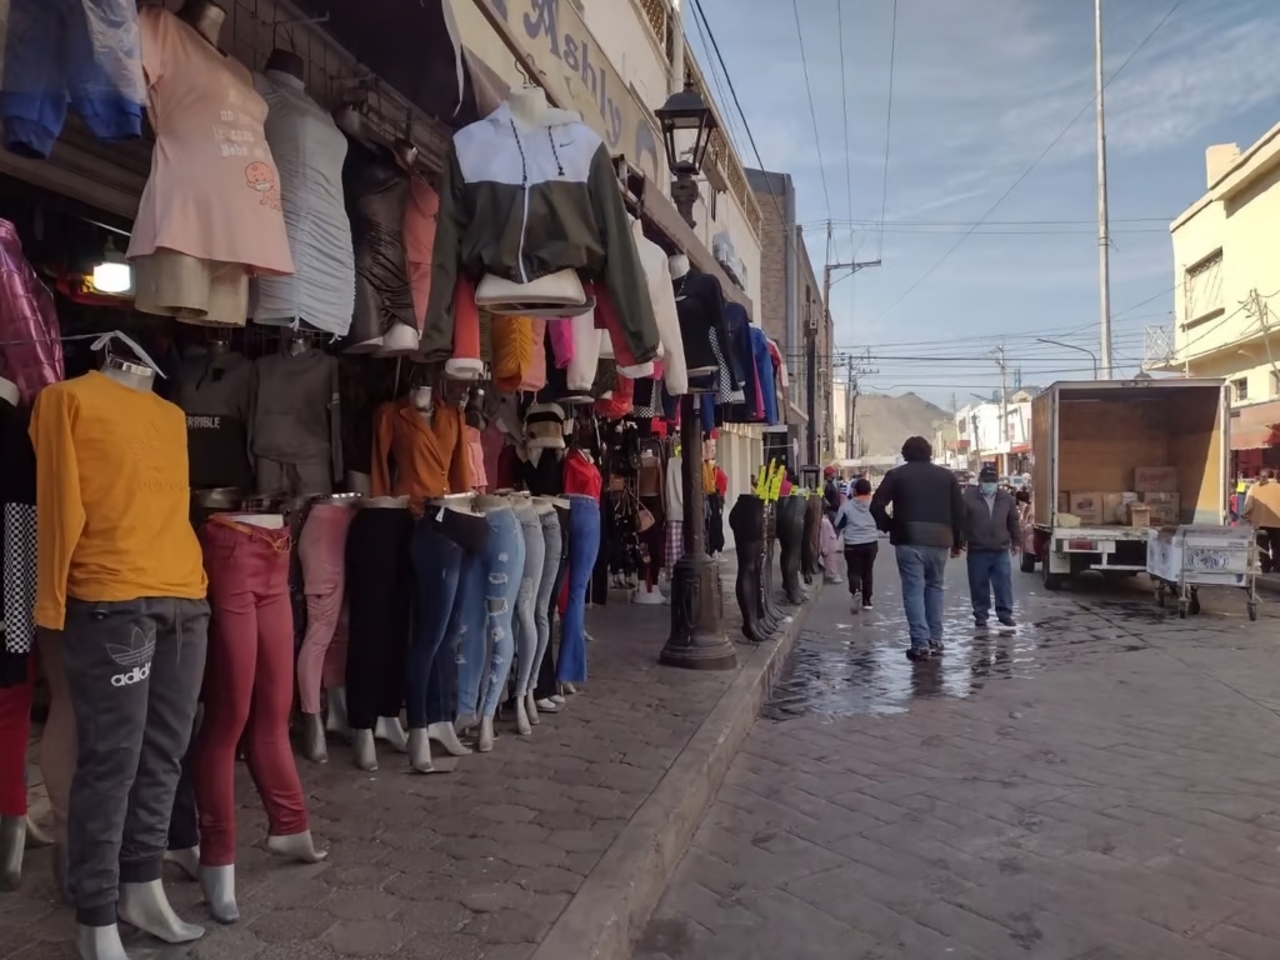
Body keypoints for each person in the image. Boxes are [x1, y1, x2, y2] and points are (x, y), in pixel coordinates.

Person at [870, 437, 964, 661]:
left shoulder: (896, 475)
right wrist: (958, 542)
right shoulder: (947, 477)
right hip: (941, 538)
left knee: (913, 590)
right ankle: (935, 639)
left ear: (905, 453)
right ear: (929, 452)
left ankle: (920, 644)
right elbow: (959, 512)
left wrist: (890, 526)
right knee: (935, 587)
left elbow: (876, 505)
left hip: (908, 538)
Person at [963, 466, 1021, 630]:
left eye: (993, 481)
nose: (990, 484)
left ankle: (1005, 615)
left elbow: (1013, 521)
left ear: (998, 482)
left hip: (1000, 549)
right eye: (987, 481)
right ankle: (981, 615)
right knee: (978, 584)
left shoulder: (1006, 498)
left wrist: (1016, 541)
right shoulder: (968, 497)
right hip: (977, 549)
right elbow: (961, 521)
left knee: (1003, 583)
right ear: (980, 481)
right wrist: (958, 542)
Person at [835, 477, 878, 612]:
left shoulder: (846, 506)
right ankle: (867, 601)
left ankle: (856, 591)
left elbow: (838, 524)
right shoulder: (874, 506)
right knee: (867, 571)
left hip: (852, 543)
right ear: (869, 491)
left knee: (854, 571)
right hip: (870, 542)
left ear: (854, 491)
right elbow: (882, 522)